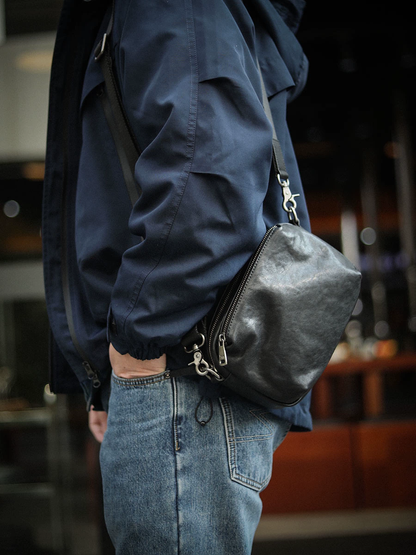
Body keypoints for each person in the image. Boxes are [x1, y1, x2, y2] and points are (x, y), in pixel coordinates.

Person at [42, 0, 312, 553]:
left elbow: (205, 182)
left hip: (176, 369)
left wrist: (132, 351)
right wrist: (108, 379)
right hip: (175, 368)